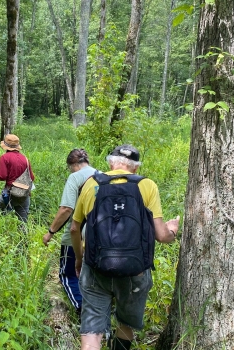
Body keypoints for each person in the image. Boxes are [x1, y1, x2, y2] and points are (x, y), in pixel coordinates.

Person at [70, 144, 180, 350]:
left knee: (92, 331)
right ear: (135, 168)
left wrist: (78, 259)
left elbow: (74, 229)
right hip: (135, 272)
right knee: (126, 324)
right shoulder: (147, 186)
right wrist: (172, 229)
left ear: (110, 163)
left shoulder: (91, 183)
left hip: (95, 267)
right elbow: (161, 236)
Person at [42, 149, 97, 315]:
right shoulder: (101, 175)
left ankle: (82, 311)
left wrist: (50, 232)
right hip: (102, 233)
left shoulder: (75, 177)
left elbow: (66, 209)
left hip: (80, 231)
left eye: (70, 168)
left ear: (74, 165)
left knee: (68, 274)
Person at [0, 134, 35, 223]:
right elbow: (32, 177)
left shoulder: (4, 158)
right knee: (23, 218)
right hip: (24, 193)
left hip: (10, 192)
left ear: (6, 146)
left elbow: (3, 176)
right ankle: (23, 236)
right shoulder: (25, 159)